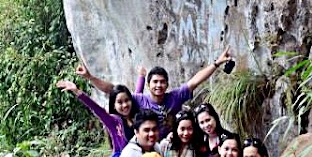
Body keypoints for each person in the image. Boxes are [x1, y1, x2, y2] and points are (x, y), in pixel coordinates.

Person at [79, 47, 234, 138]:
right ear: (148, 84)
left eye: (162, 82)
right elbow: (112, 90)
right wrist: (90, 77)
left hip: (173, 143)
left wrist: (216, 63)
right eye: (155, 82)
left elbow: (195, 81)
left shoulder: (175, 96)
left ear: (167, 84)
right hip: (148, 145)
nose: (158, 85)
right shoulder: (139, 100)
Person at [56, 71, 145, 157]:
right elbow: (96, 109)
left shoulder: (138, 116)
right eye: (120, 102)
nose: (124, 105)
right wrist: (77, 91)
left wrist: (142, 77)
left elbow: (138, 93)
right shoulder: (113, 122)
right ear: (114, 105)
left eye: (127, 100)